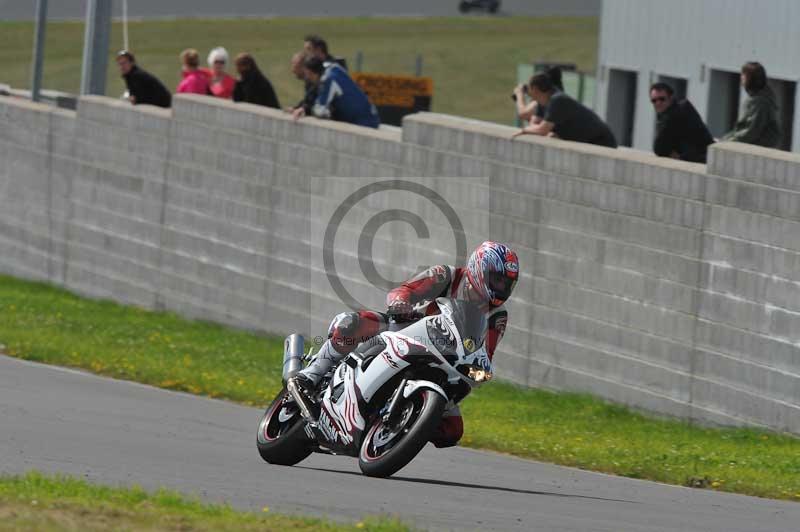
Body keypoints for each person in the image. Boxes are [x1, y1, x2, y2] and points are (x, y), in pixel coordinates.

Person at [289, 241, 520, 448]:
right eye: (497, 279)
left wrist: (481, 369)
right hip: (409, 330)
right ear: (479, 269)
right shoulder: (446, 276)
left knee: (452, 431)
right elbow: (406, 290)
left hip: (447, 359)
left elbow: (485, 351)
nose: (501, 287)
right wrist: (401, 303)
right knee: (352, 324)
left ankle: (403, 426)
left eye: (506, 283)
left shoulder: (497, 315)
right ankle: (311, 374)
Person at [511, 73, 617, 147]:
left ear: (535, 89)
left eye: (529, 88)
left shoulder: (558, 100)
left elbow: (541, 130)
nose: (528, 93)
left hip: (601, 142)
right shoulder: (544, 101)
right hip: (589, 142)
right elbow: (535, 125)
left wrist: (523, 131)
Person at [294, 56, 379, 128]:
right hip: (369, 116)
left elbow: (320, 110)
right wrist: (305, 107)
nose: (307, 78)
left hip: (364, 123)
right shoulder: (332, 68)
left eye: (307, 74)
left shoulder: (329, 79)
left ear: (312, 73)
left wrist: (307, 110)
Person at [650, 82, 714, 163]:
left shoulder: (675, 114)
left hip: (700, 161)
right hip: (704, 158)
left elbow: (659, 149)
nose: (658, 103)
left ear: (671, 98)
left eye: (662, 99)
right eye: (654, 101)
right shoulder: (683, 107)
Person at [722, 62, 780, 148]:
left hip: (758, 149)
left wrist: (727, 142)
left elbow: (751, 132)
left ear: (751, 78)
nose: (741, 78)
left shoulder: (760, 102)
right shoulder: (761, 97)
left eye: (744, 75)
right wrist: (725, 139)